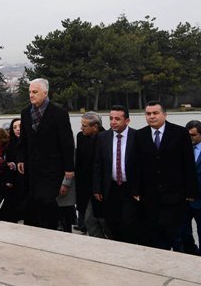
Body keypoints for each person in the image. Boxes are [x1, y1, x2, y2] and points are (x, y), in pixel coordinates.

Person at [133, 101, 197, 250]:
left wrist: (191, 191)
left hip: (175, 195)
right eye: (148, 114)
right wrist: (135, 190)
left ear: (164, 114)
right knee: (155, 236)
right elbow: (135, 164)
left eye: (155, 113)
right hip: (150, 196)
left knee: (175, 235)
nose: (152, 117)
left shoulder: (180, 133)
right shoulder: (140, 135)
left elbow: (188, 163)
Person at [17, 78, 75, 230]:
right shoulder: (25, 113)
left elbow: (67, 144)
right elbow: (23, 140)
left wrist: (69, 171)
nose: (31, 95)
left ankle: (56, 228)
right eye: (29, 92)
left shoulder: (59, 113)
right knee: (33, 203)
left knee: (46, 200)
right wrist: (21, 159)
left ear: (45, 93)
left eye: (34, 92)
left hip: (52, 168)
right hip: (32, 169)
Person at [92, 106, 138, 242]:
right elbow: (97, 164)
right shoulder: (102, 137)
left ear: (127, 121)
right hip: (110, 188)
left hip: (130, 188)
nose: (113, 122)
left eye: (117, 119)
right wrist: (96, 188)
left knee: (129, 223)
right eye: (111, 118)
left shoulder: (137, 136)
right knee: (112, 223)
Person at [75, 111, 106, 237]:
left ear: (95, 127)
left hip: (100, 186)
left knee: (103, 220)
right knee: (88, 220)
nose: (81, 128)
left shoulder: (105, 138)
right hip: (84, 185)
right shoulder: (80, 136)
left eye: (84, 125)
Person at [181, 120, 201, 254]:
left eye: (193, 135)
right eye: (187, 135)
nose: (190, 138)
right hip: (183, 201)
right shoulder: (180, 149)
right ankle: (191, 254)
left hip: (200, 200)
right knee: (183, 232)